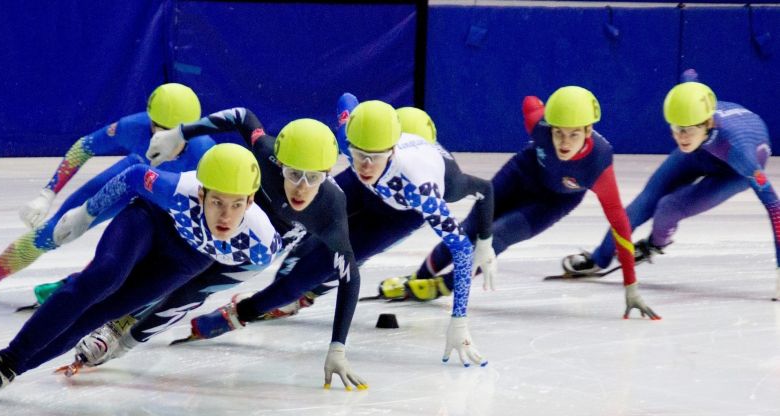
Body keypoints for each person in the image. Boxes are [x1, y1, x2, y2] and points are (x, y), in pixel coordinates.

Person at [0, 143, 281, 407]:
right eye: (218, 202)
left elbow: (226, 279)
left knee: (102, 314)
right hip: (151, 221)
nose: (226, 214)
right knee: (105, 277)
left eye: (237, 204)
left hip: (187, 260)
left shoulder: (261, 244)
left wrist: (191, 296)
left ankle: (5, 372)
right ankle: (7, 358)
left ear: (250, 201)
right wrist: (84, 215)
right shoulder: (175, 190)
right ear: (202, 193)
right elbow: (134, 175)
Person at [67, 109, 368, 390]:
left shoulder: (330, 207)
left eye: (314, 178)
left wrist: (338, 347)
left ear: (328, 173)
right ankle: (111, 326)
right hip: (222, 223)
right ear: (279, 163)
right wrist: (182, 133)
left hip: (252, 254)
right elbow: (242, 116)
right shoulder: (265, 153)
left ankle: (127, 342)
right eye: (293, 174)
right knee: (166, 275)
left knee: (192, 293)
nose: (301, 187)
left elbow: (349, 275)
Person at [188, 97, 497, 367]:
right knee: (305, 235)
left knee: (314, 270)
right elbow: (347, 99)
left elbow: (480, 200)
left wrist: (461, 313)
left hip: (399, 214)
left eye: (374, 157)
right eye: (358, 154)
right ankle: (295, 292)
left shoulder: (423, 189)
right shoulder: (354, 141)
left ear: (392, 150)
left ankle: (241, 313)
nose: (364, 165)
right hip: (363, 191)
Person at [378, 86, 658, 319]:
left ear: (588, 131)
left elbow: (619, 222)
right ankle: (417, 277)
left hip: (552, 202)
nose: (563, 142)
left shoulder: (598, 163)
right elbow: (530, 103)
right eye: (558, 132)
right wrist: (543, 106)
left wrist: (631, 284)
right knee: (471, 226)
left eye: (574, 134)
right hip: (521, 174)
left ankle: (443, 286)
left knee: (498, 235)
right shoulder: (540, 126)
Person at [0, 83, 214, 300]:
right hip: (129, 178)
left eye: (176, 132)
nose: (163, 137)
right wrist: (48, 193)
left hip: (167, 202)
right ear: (150, 120)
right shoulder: (135, 127)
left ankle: (77, 284)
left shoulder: (206, 153)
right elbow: (84, 146)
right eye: (158, 128)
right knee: (52, 232)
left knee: (130, 255)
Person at [562, 77, 779, 300]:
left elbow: (774, 206)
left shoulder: (740, 152)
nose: (680, 137)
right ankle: (599, 258)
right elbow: (689, 81)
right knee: (644, 203)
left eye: (686, 130)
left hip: (733, 173)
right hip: (702, 151)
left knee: (669, 208)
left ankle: (654, 244)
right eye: (675, 128)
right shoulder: (693, 121)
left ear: (709, 123)